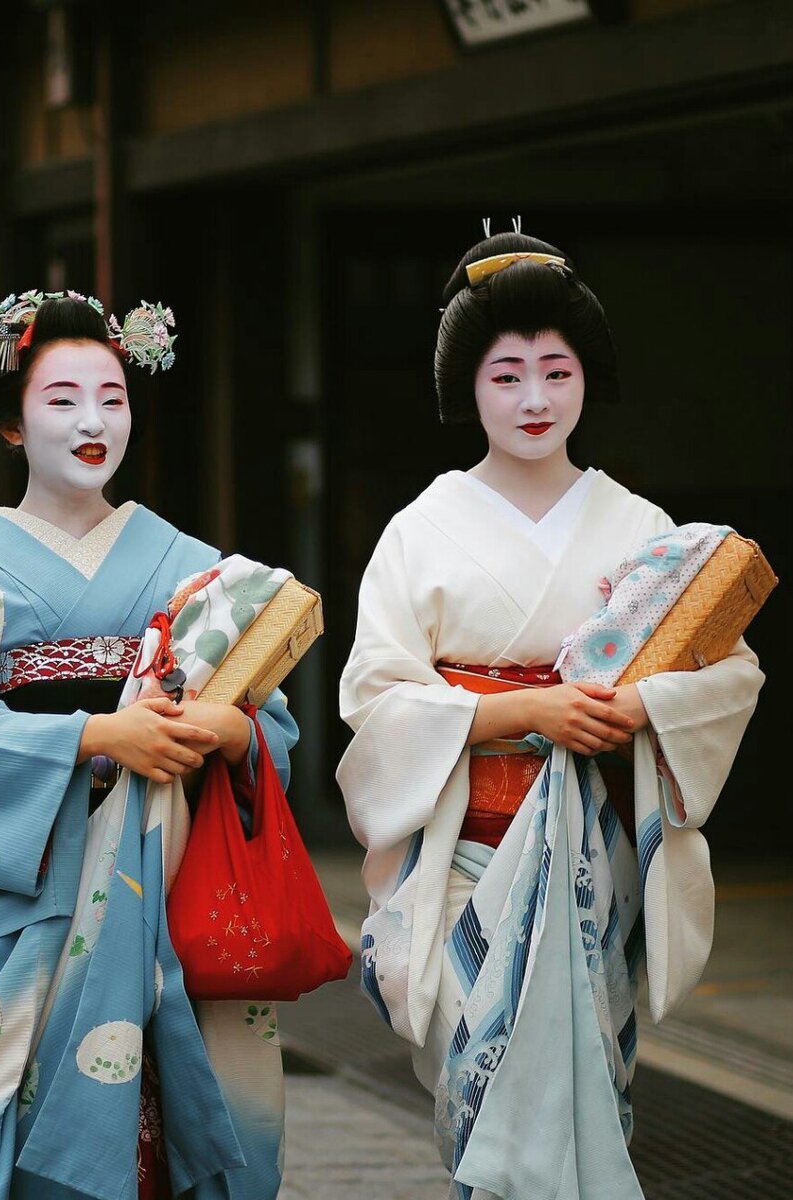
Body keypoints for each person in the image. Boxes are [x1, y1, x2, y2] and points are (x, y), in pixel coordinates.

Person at [337, 232, 764, 1199]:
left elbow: (728, 673)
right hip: (464, 854)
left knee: (588, 1085)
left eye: (556, 371)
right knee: (479, 1089)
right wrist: (523, 710)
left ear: (585, 380)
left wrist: (643, 705)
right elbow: (373, 696)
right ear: (468, 388)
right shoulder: (420, 529)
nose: (534, 399)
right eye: (506, 374)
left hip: (596, 849)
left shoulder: (642, 527)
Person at [0, 292, 298, 1200]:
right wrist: (98, 736)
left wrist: (233, 731)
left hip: (169, 870)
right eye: (63, 398)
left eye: (112, 397)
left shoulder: (191, 562)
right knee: (4, 1112)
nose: (93, 422)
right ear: (10, 423)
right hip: (33, 887)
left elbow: (267, 719)